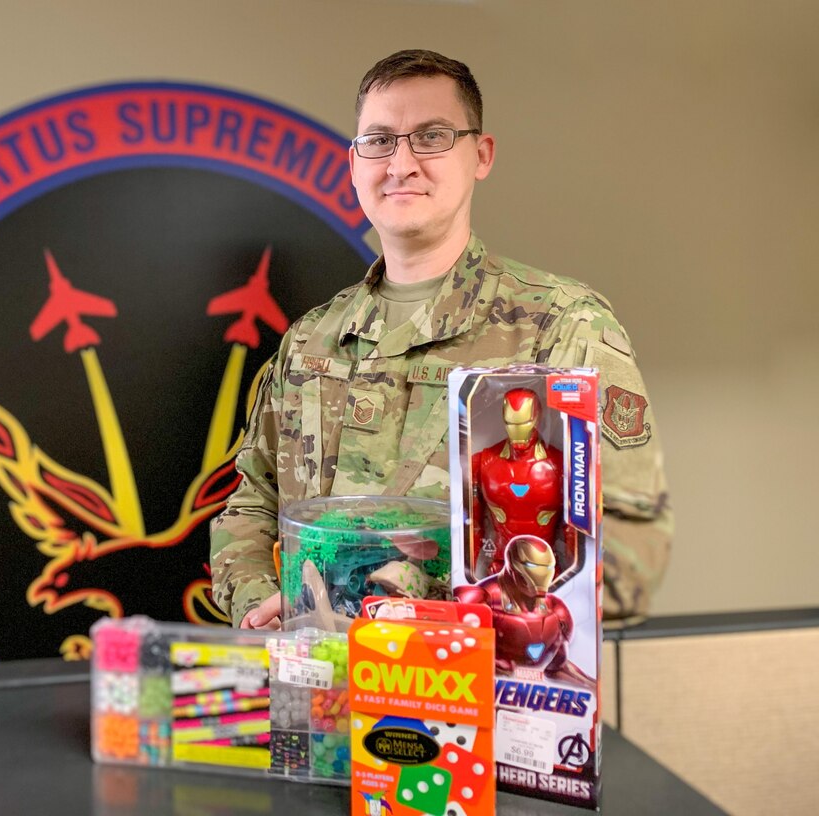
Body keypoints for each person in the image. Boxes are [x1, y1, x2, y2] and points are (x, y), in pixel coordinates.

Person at [210, 49, 671, 630]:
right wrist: (259, 605)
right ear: (354, 163)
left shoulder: (564, 326)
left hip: (482, 694)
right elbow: (252, 503)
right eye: (379, 141)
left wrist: (455, 618)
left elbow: (630, 545)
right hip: (323, 696)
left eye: (430, 137)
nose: (401, 163)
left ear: (481, 155)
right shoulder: (309, 342)